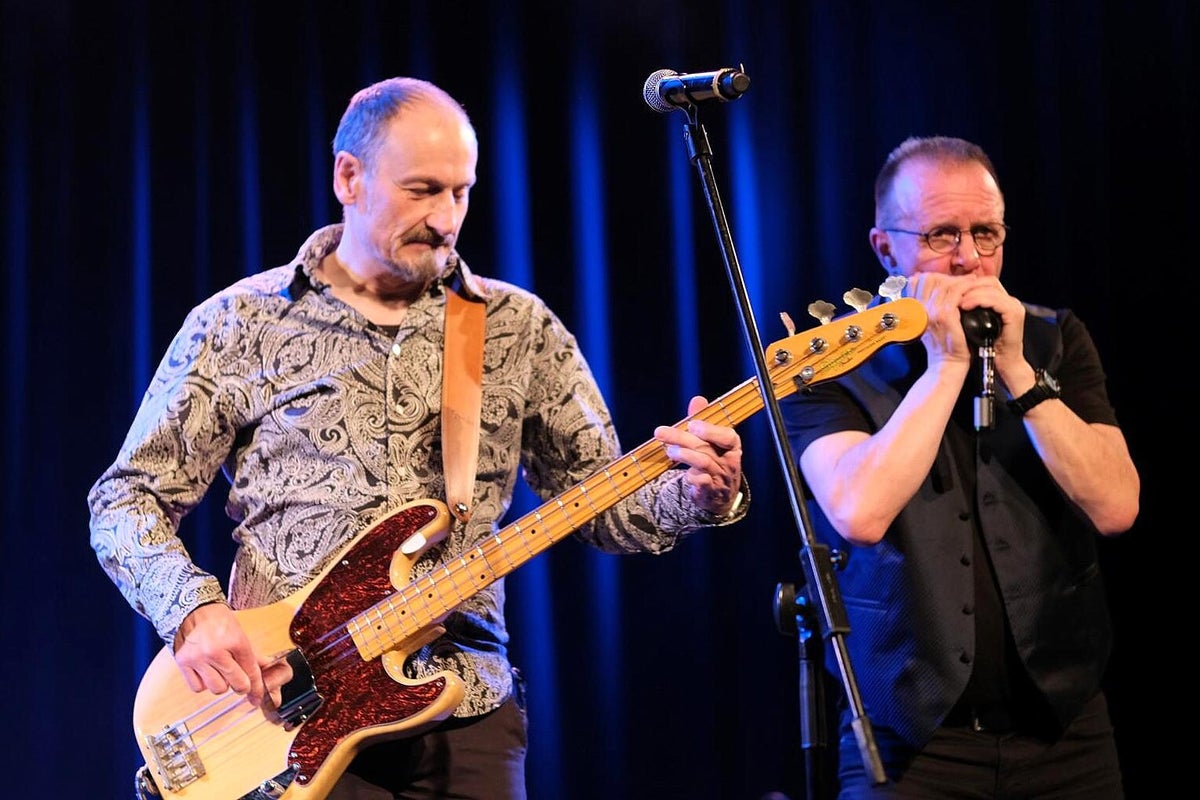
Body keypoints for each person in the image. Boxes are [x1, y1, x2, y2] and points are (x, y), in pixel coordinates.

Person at [88, 76, 748, 800]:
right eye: (422, 191)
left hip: (465, 703)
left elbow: (601, 506)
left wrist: (696, 495)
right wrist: (193, 612)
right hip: (279, 712)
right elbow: (126, 498)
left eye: (461, 193)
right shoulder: (240, 322)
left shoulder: (518, 326)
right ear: (349, 177)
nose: (445, 218)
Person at [782, 136, 1139, 798]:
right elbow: (859, 512)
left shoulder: (1054, 339)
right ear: (885, 248)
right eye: (942, 235)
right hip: (911, 748)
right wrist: (946, 365)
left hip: (1067, 736)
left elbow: (1117, 506)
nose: (969, 258)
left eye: (986, 234)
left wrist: (1018, 371)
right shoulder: (829, 367)